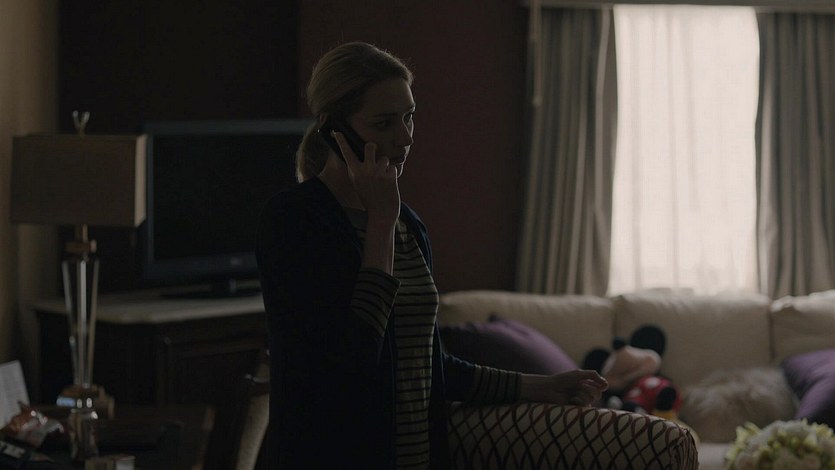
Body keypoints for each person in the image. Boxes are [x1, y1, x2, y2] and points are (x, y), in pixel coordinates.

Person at [256, 41, 608, 469]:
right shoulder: (294, 220)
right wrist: (380, 227)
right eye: (384, 123)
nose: (405, 137)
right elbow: (349, 362)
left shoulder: (409, 225)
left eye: (409, 116)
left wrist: (542, 386)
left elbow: (424, 366)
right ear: (334, 130)